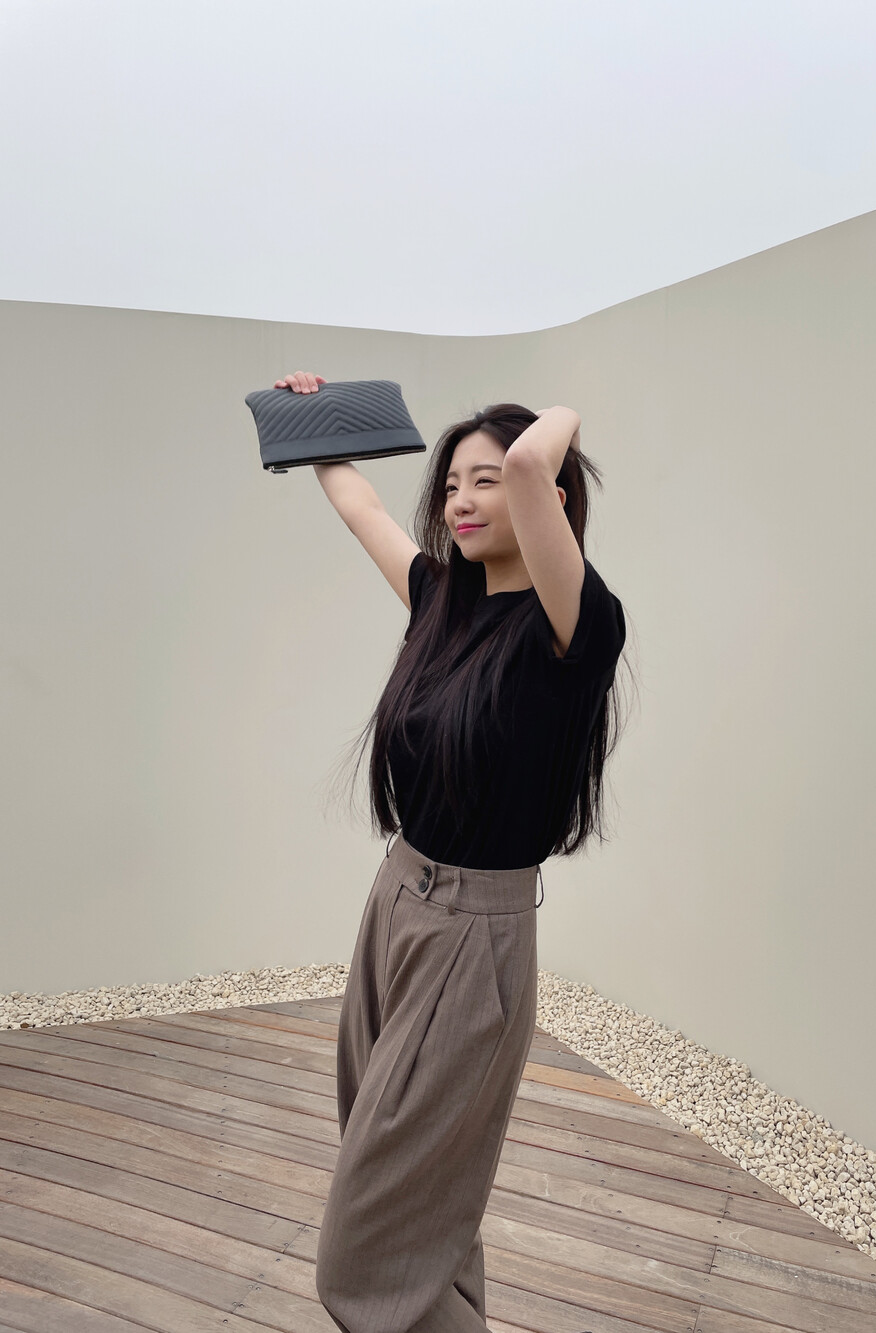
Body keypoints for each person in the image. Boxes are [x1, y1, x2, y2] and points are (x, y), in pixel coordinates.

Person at [276, 371, 631, 1333]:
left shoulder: (575, 626)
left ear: (547, 492)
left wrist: (561, 416)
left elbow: (535, 458)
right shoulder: (441, 599)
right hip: (395, 903)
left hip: (475, 934)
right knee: (416, 1189)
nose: (461, 501)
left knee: (362, 1252)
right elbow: (358, 505)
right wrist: (311, 415)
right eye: (451, 485)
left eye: (486, 480)